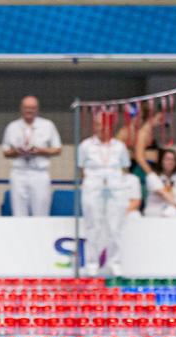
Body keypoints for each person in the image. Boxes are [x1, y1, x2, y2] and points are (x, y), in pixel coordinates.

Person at [78, 110, 131, 277]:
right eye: (99, 124)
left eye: (106, 124)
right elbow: (81, 169)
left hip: (115, 189)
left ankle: (115, 264)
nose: (103, 128)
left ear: (112, 126)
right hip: (93, 187)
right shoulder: (85, 146)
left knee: (115, 227)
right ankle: (91, 264)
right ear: (95, 126)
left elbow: (125, 167)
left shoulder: (119, 146)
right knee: (92, 226)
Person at [1, 96, 61, 217]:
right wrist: (16, 152)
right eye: (26, 108)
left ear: (37, 109)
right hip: (19, 173)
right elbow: (6, 152)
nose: (29, 110)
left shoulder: (47, 125)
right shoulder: (12, 127)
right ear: (21, 109)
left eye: (32, 108)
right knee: (18, 211)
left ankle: (40, 235)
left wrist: (41, 151)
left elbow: (57, 149)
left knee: (41, 210)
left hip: (39, 173)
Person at [143, 149, 176, 218]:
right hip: (155, 210)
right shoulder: (152, 176)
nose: (170, 162)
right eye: (167, 159)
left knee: (173, 210)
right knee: (170, 211)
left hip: (174, 208)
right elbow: (163, 194)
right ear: (161, 161)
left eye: (173, 160)